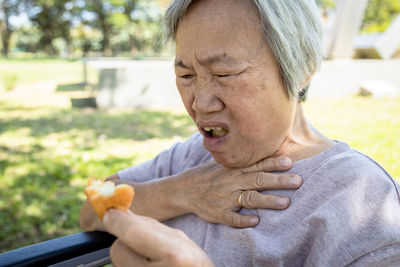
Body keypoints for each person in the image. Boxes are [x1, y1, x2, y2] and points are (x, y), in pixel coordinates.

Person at [81, 0, 400, 266]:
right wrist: (180, 192)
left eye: (224, 72)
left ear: (300, 67)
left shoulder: (362, 201)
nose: (200, 103)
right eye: (186, 74)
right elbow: (89, 211)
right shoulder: (192, 155)